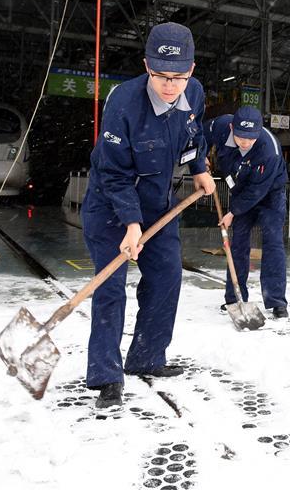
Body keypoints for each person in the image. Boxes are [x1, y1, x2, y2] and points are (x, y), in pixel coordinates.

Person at [81, 22, 216, 408]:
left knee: (167, 276)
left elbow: (193, 135)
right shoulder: (123, 103)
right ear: (146, 66)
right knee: (110, 287)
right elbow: (113, 172)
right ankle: (106, 375)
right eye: (160, 76)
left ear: (191, 69)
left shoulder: (195, 92)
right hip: (111, 205)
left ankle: (146, 357)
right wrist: (131, 223)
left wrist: (200, 169)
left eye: (178, 76)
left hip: (159, 202)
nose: (170, 85)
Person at [203, 106, 289, 319]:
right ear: (232, 127)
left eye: (250, 138)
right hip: (241, 189)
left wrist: (232, 212)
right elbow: (199, 134)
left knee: (273, 242)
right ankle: (235, 298)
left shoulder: (269, 150)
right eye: (240, 136)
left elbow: (256, 191)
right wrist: (200, 159)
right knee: (239, 243)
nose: (244, 143)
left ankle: (276, 300)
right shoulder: (221, 126)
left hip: (270, 192)